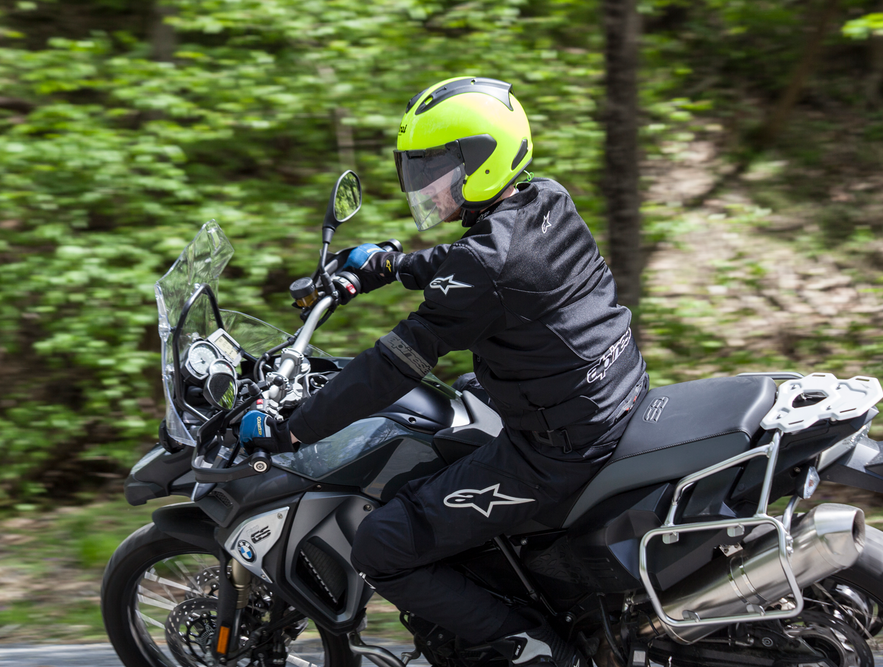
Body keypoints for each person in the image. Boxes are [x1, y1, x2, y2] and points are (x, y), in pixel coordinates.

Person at [239, 76, 648, 667]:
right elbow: (478, 263)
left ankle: (542, 652)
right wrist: (392, 266)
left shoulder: (486, 265)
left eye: (435, 166)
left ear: (482, 161)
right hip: (607, 394)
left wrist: (293, 428)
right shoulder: (546, 200)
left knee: (382, 545)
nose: (424, 183)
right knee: (453, 414)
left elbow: (394, 362)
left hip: (561, 448)